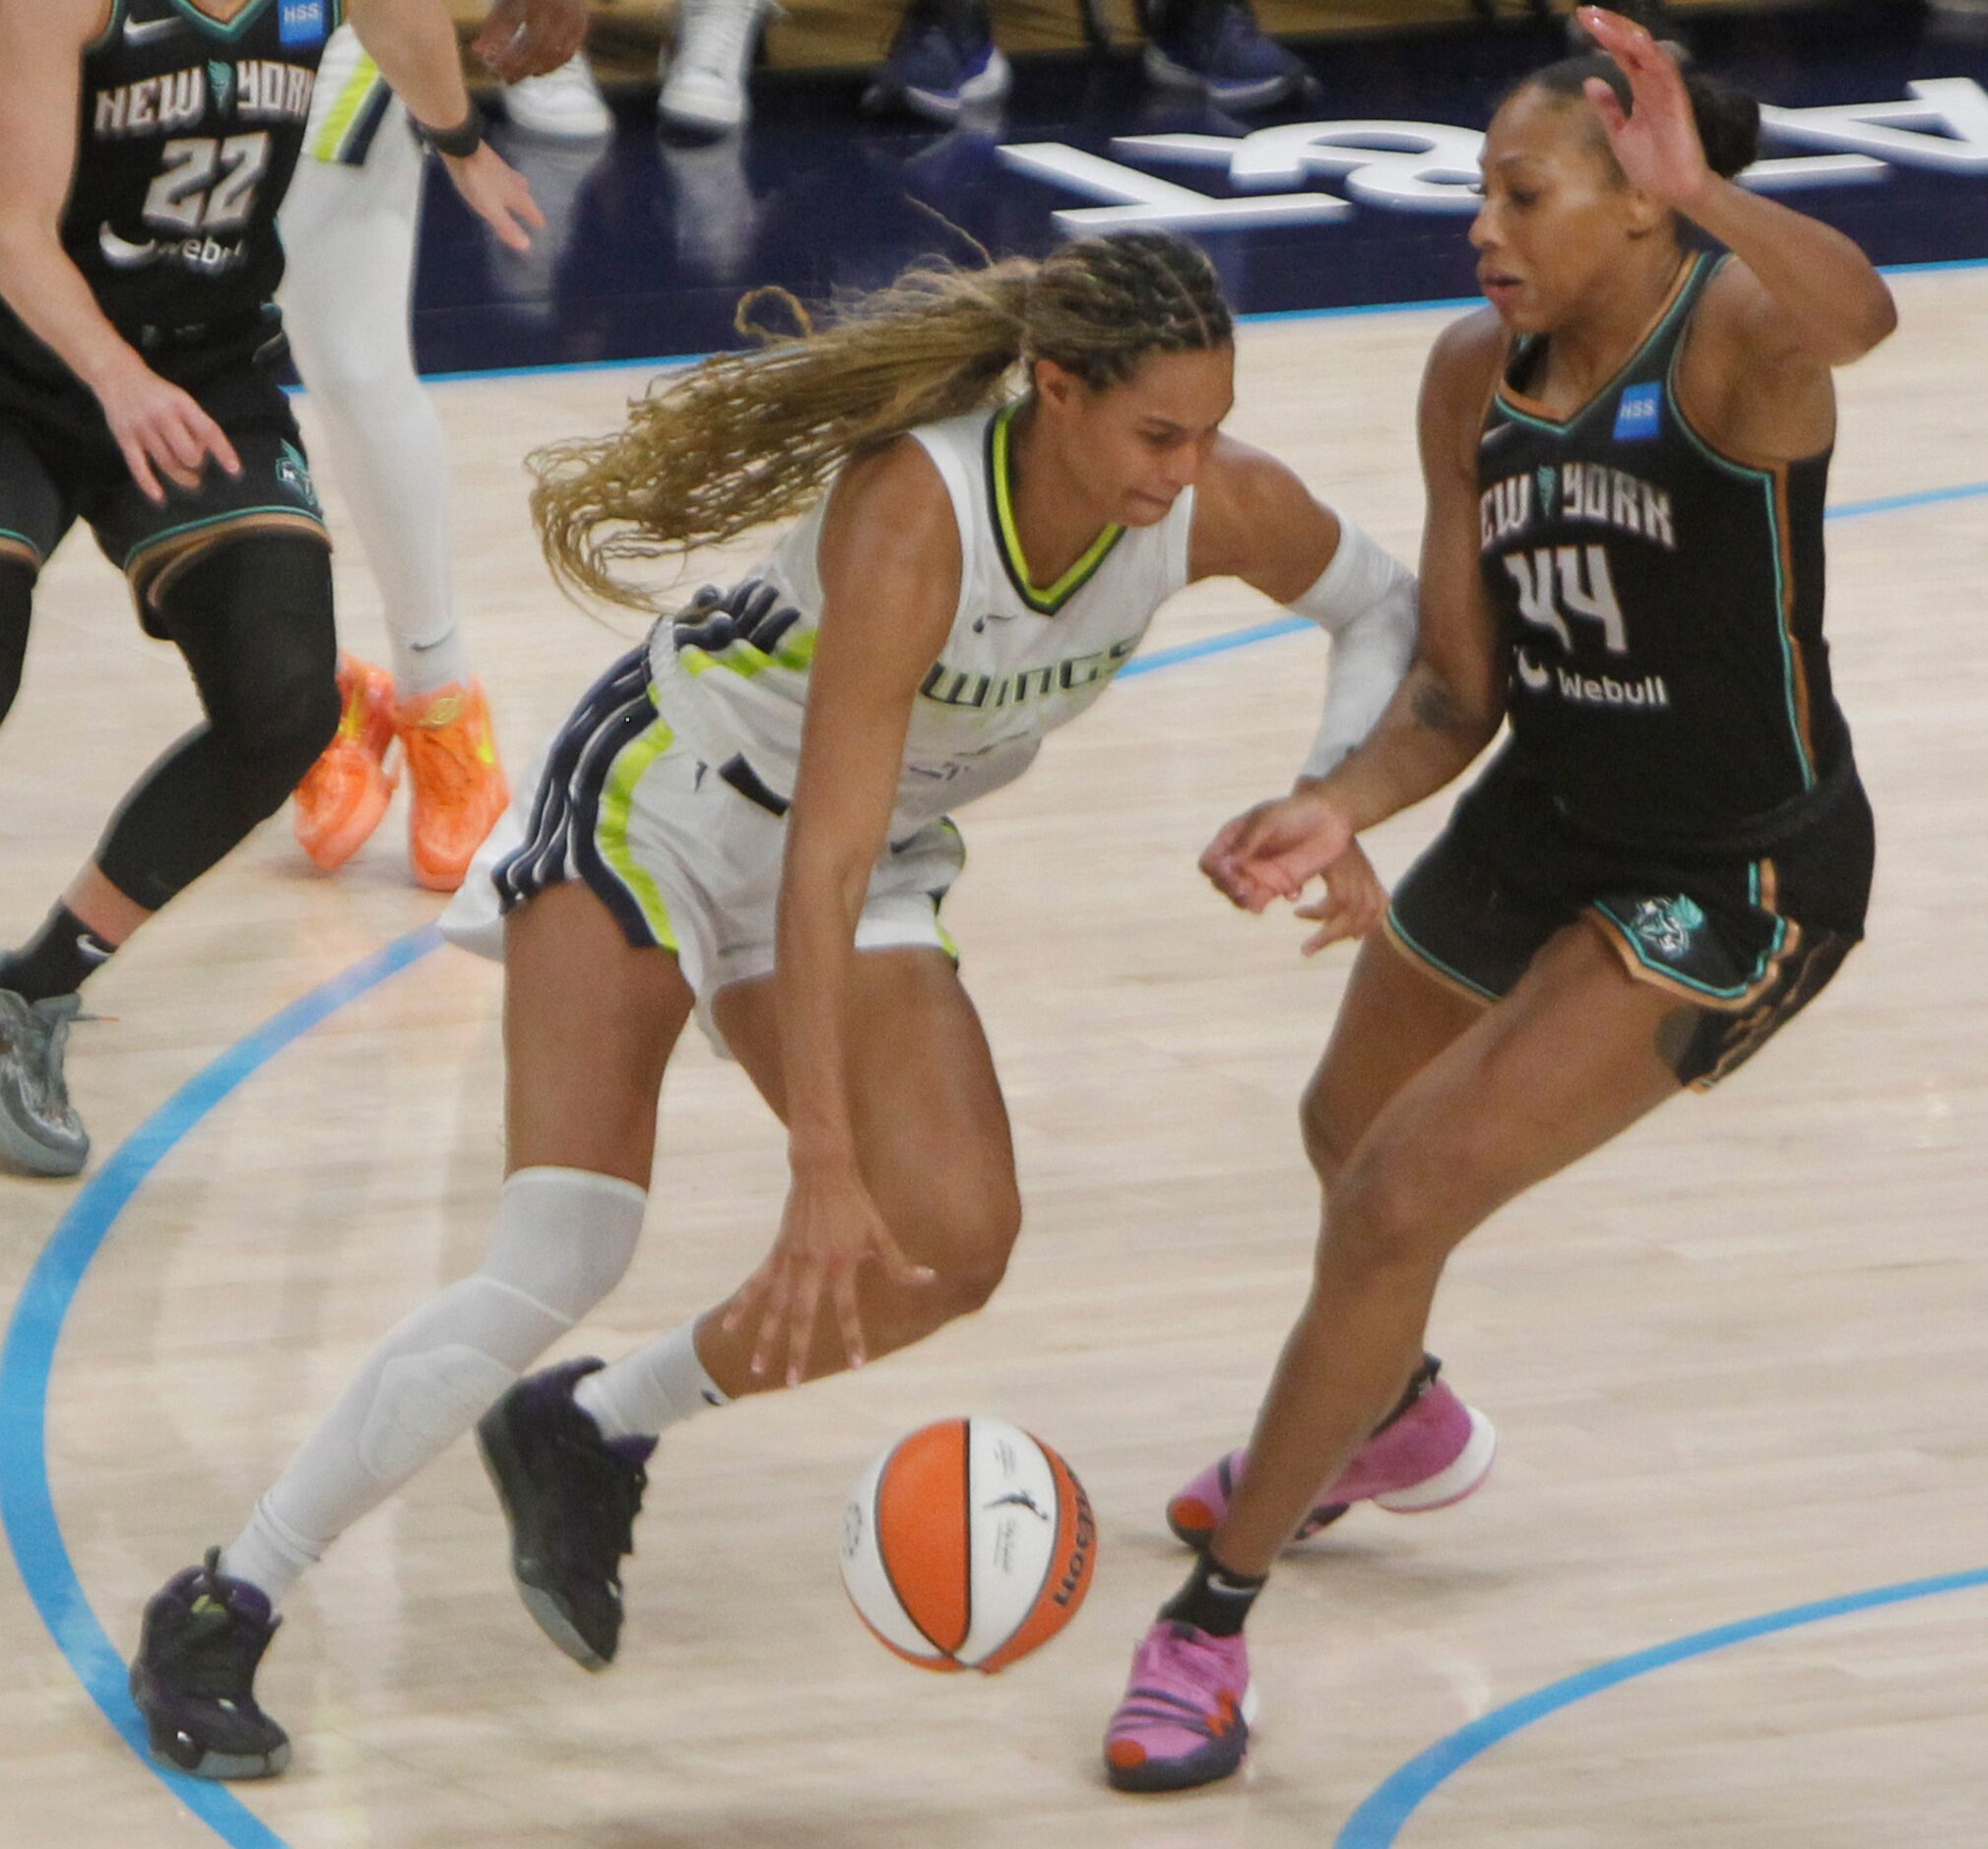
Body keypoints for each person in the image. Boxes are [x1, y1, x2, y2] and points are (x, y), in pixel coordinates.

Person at [126, 228, 1423, 1780]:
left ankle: (593, 1422)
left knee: (949, 1239)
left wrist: (1332, 796)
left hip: (863, 851)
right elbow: (812, 855)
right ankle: (230, 1591)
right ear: (1054, 391)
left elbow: (1383, 608)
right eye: (1158, 434)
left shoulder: (1211, 500)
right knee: (566, 1243)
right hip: (672, 798)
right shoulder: (914, 516)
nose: (1186, 470)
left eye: (1208, 430)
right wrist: (816, 1160)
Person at [1102, 8, 1893, 1793]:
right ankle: (1385, 1414)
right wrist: (1331, 801)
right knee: (1340, 1124)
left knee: (1390, 1202)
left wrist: (1711, 194)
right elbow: (1459, 693)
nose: (1480, 223)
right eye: (1474, 188)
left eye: (1517, 191)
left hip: (1730, 865)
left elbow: (1860, 312)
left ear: (1635, 206)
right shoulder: (1471, 370)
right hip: (1548, 806)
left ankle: (1205, 1632)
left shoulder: (1733, 344)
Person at [0, 0, 543, 1178]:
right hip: (26, 350)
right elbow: (12, 233)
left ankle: (32, 994)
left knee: (288, 710)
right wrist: (115, 379)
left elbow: (402, 21)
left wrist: (460, 143)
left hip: (202, 357)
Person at [280, 2, 593, 888]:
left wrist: (459, 137)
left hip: (331, 23)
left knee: (352, 360)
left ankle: (438, 696)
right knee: (146, 383)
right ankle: (311, 689)